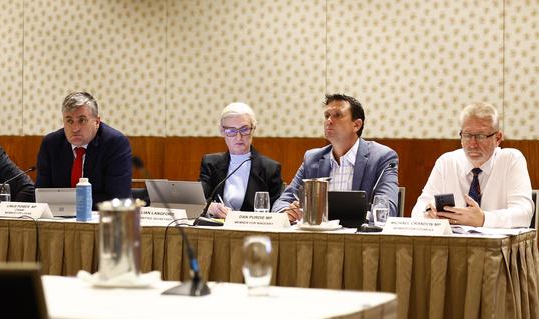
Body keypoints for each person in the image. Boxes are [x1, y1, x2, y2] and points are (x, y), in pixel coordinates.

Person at [272, 94, 399, 222]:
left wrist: (343, 216)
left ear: (356, 125)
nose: (329, 121)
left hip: (360, 239)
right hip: (317, 239)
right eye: (327, 116)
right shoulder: (312, 159)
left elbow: (386, 211)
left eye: (337, 115)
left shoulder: (382, 158)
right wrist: (288, 212)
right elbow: (282, 202)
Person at [411, 102, 534, 227]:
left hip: (495, 246)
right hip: (453, 245)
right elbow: (417, 212)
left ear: (498, 138)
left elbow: (524, 214)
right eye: (467, 135)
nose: (473, 144)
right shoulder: (447, 162)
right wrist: (428, 213)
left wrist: (483, 219)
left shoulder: (511, 160)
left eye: (480, 136)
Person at [35, 91, 132, 208]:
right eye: (69, 121)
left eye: (82, 120)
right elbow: (41, 195)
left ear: (97, 122)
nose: (75, 128)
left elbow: (118, 198)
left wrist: (70, 203)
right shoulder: (51, 144)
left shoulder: (115, 144)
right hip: (59, 218)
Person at [199, 102, 283, 218]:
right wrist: (210, 207)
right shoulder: (210, 164)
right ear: (222, 131)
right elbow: (199, 201)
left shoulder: (270, 168)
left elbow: (277, 212)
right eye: (231, 131)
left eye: (244, 130)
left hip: (253, 230)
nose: (239, 137)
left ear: (253, 129)